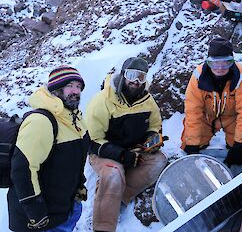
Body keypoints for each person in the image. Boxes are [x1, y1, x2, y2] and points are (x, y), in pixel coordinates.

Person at [86, 57, 168, 232]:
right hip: (103, 152)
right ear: (123, 75)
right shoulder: (102, 101)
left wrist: (152, 140)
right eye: (132, 75)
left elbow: (155, 125)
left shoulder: (147, 100)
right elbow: (92, 141)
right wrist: (121, 155)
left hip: (135, 149)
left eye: (141, 77)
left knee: (159, 161)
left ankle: (117, 198)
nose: (136, 81)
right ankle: (103, 227)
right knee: (114, 173)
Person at [8, 66, 89, 232]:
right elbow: (22, 169)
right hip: (39, 220)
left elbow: (74, 161)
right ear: (56, 89)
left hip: (64, 211)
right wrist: (36, 213)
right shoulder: (41, 121)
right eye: (70, 86)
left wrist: (79, 186)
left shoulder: (76, 119)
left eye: (79, 87)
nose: (76, 91)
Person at [181, 37, 242, 168]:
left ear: (232, 62)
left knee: (237, 145)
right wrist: (192, 144)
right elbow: (193, 112)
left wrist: (240, 145)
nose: (220, 68)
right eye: (215, 63)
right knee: (191, 143)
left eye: (226, 63)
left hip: (232, 117)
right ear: (208, 62)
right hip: (207, 117)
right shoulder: (198, 77)